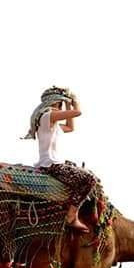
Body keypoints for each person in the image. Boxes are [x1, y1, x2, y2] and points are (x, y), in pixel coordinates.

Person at [24, 87, 96, 233]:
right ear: (56, 102)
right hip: (52, 165)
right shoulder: (48, 116)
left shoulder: (50, 121)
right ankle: (71, 216)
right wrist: (74, 101)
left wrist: (68, 103)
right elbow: (78, 113)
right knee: (89, 179)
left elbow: (70, 127)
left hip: (52, 164)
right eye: (61, 103)